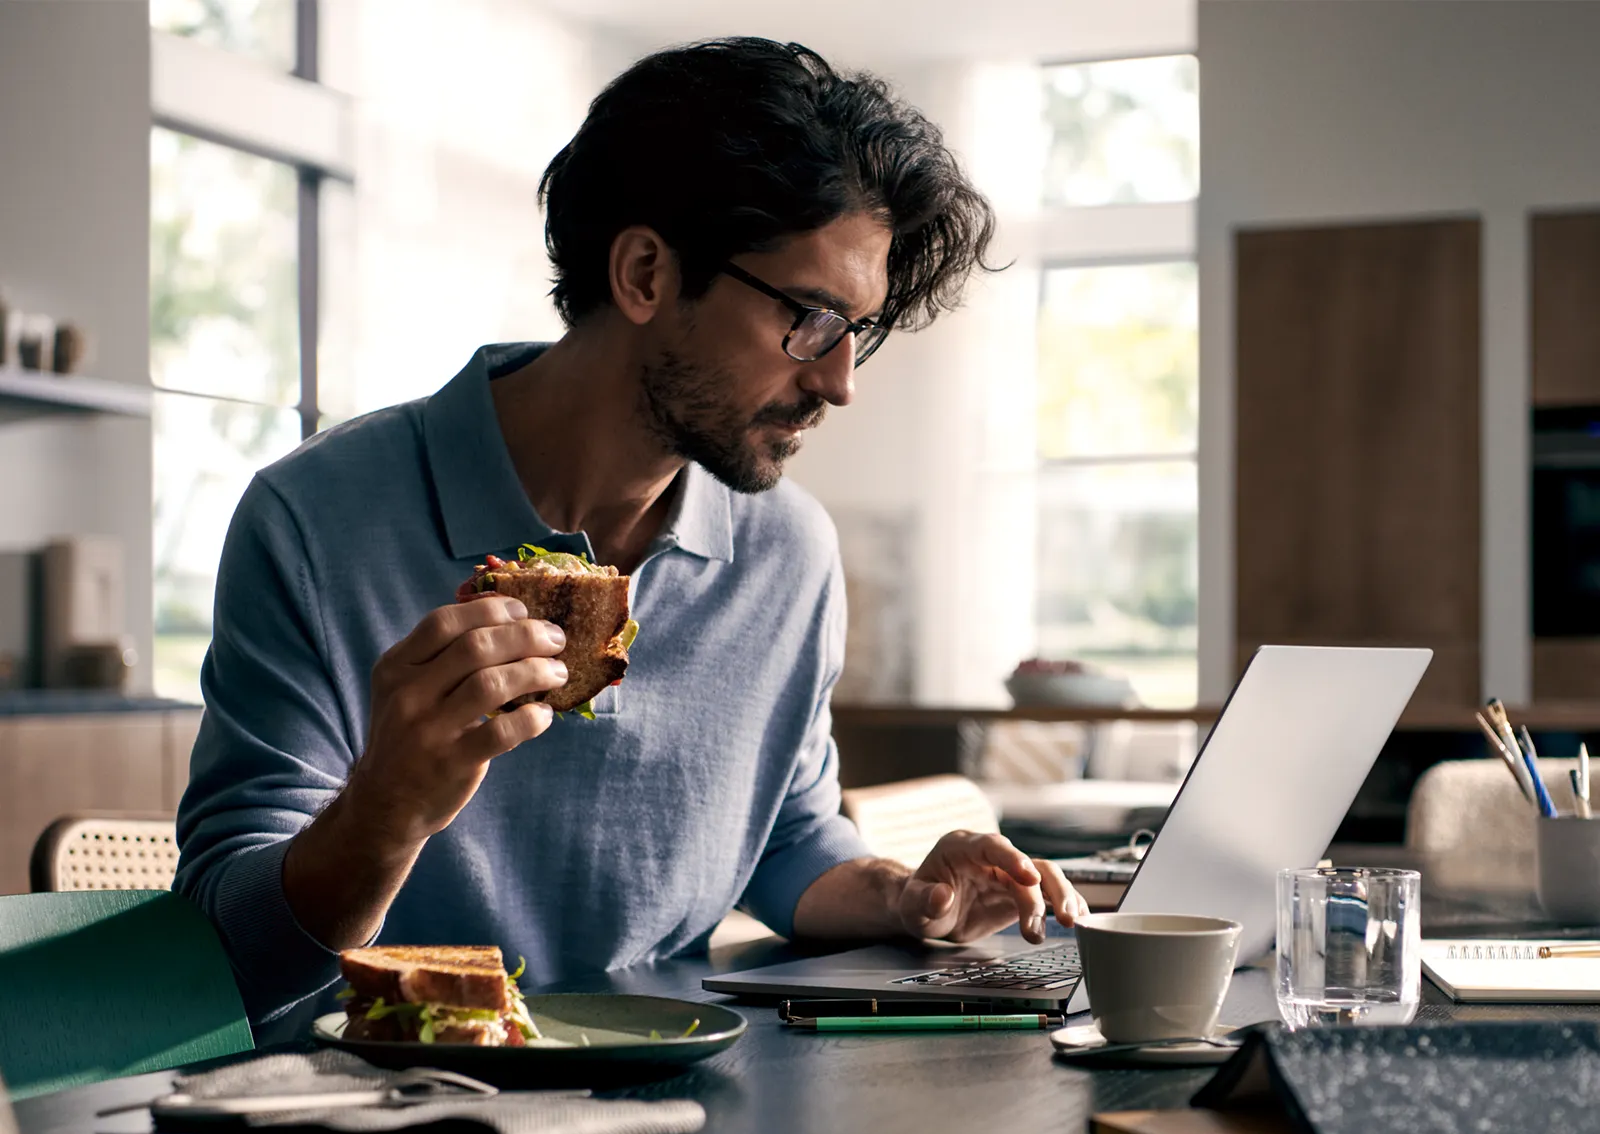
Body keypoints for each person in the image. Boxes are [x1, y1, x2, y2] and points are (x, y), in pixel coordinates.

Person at [174, 36, 1085, 1039]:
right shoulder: (315, 519)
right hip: (391, 1116)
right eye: (810, 320)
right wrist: (386, 806)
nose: (838, 383)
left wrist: (903, 895)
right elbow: (230, 958)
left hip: (685, 1091)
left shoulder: (788, 553)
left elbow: (787, 842)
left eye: (854, 333)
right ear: (646, 272)